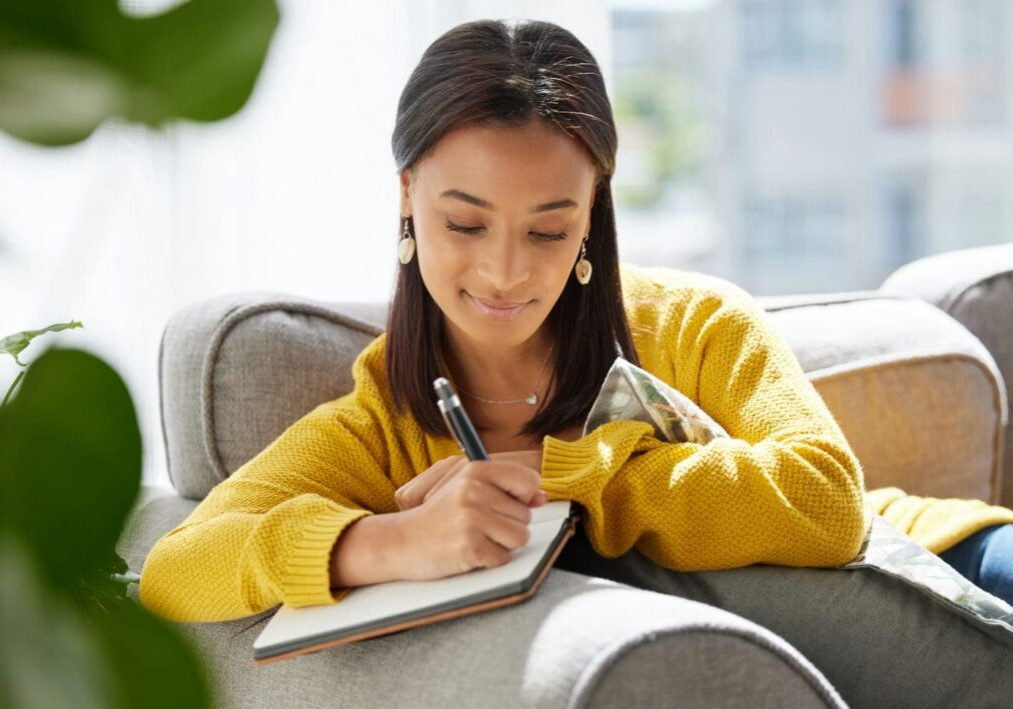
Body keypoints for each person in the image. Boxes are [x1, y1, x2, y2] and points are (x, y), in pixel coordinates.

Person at [138, 17, 1013, 699]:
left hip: (942, 564)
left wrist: (559, 485)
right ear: (406, 198)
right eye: (465, 223)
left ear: (592, 213)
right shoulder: (378, 434)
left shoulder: (694, 322)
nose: (506, 270)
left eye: (549, 228)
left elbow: (826, 503)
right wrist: (389, 541)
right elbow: (176, 570)